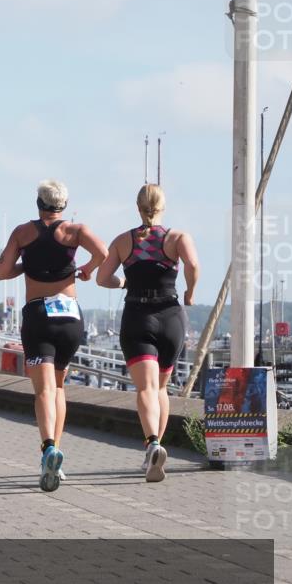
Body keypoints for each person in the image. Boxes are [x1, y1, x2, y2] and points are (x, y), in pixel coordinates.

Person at [0, 179, 108, 492]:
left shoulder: (22, 232)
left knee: (43, 390)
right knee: (59, 387)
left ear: (38, 204)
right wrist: (84, 269)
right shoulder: (76, 231)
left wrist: (24, 265)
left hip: (38, 315)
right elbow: (103, 252)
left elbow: (1, 272)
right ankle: (56, 453)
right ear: (64, 206)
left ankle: (48, 449)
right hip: (70, 316)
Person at [97, 184, 199, 483]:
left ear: (138, 207)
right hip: (170, 317)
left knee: (145, 389)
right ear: (162, 206)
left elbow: (103, 278)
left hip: (138, 317)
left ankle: (152, 443)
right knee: (161, 389)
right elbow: (192, 264)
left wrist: (124, 283)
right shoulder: (178, 238)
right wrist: (190, 292)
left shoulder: (122, 241)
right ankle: (156, 448)